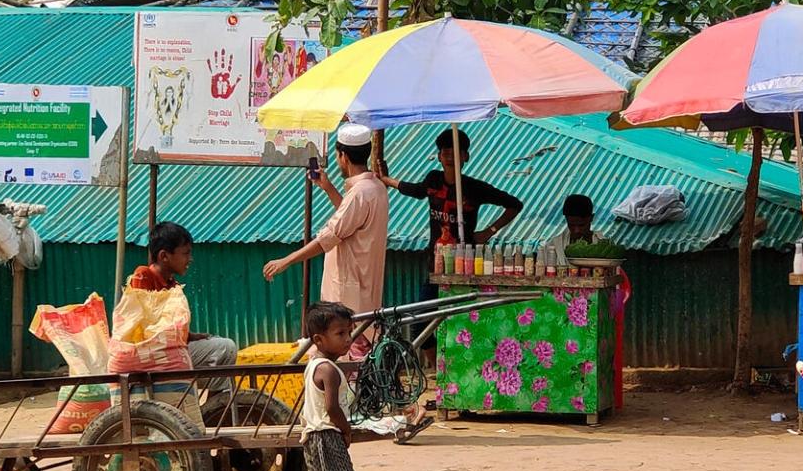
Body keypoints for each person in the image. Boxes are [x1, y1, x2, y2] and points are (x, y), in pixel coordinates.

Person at [263, 123, 389, 362]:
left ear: (342, 156)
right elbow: (350, 221)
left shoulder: (360, 193)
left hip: (350, 292)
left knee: (345, 357)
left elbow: (328, 237)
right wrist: (328, 188)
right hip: (364, 289)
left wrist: (286, 261)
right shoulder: (375, 188)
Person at [385, 129, 522, 294]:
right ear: (439, 156)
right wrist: (386, 180)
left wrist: (488, 232)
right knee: (424, 314)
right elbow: (415, 190)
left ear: (466, 156)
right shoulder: (433, 180)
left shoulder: (474, 188)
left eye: (455, 152)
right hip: (436, 265)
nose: (450, 157)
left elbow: (515, 205)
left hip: (464, 266)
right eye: (446, 152)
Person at [129, 221, 239, 369]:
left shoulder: (172, 285)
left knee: (217, 343)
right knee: (225, 347)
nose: (190, 259)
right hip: (153, 354)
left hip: (168, 351)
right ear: (164, 256)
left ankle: (218, 392)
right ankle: (219, 392)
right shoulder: (143, 276)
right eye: (186, 253)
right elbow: (144, 327)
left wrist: (191, 336)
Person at [299, 300, 361, 471]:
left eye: (349, 332)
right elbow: (332, 408)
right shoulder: (330, 370)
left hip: (311, 435)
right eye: (340, 334)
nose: (348, 339)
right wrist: (346, 429)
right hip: (328, 434)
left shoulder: (313, 364)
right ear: (319, 339)